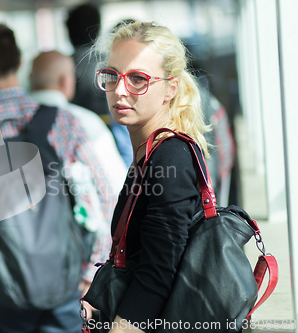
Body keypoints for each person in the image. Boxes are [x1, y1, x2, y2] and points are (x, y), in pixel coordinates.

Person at [0, 22, 115, 333]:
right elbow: (108, 199)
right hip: (67, 281)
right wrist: (90, 272)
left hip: (1, 289)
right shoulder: (64, 122)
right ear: (20, 62)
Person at [93, 21, 210, 332]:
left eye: (137, 79)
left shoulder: (170, 155)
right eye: (111, 76)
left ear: (170, 88)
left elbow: (158, 272)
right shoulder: (152, 151)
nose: (119, 90)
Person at [30, 50, 127, 197]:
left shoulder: (6, 119)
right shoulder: (83, 122)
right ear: (65, 81)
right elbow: (115, 184)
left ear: (31, 78)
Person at [66, 4, 134, 166]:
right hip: (114, 144)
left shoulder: (60, 67)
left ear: (68, 31)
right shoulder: (109, 64)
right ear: (97, 29)